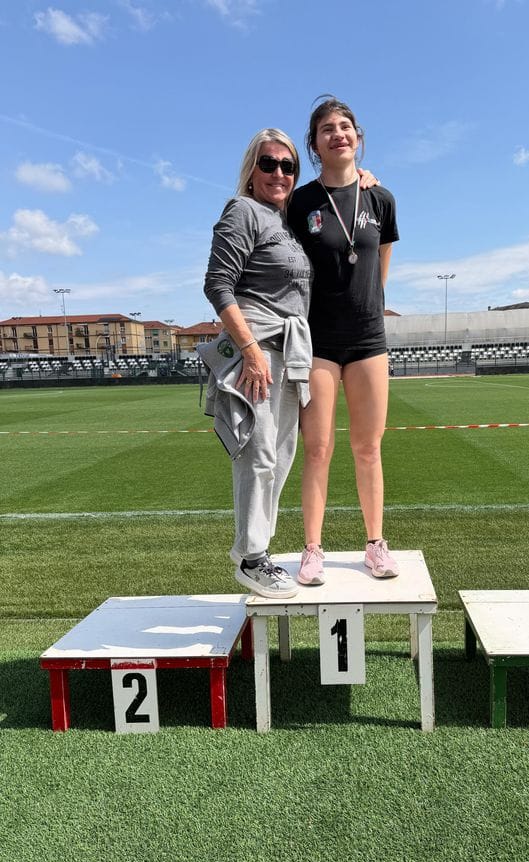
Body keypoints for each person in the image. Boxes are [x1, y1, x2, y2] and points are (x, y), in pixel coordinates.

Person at [287, 97, 400, 586]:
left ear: (358, 137)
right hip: (317, 341)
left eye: (346, 126)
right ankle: (313, 549)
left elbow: (381, 269)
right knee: (317, 447)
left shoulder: (381, 199)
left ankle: (375, 543)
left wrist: (367, 310)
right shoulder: (301, 202)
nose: (338, 133)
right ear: (315, 144)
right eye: (327, 128)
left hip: (368, 339)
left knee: (368, 446)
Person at [202, 128, 313, 599]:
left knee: (280, 456)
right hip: (260, 348)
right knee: (259, 453)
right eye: (269, 163)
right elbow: (217, 284)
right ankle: (251, 557)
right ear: (252, 170)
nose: (279, 173)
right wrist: (249, 351)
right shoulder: (243, 210)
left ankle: (260, 550)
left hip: (288, 351)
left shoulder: (283, 221)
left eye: (288, 166)